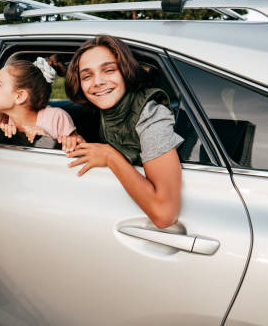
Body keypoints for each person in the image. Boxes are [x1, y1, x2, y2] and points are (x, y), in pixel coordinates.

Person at [64, 35, 183, 229]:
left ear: (125, 71)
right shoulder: (103, 109)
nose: (97, 82)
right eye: (87, 76)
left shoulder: (151, 116)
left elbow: (165, 214)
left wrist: (110, 157)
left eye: (109, 70)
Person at [0, 58, 80, 146]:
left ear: (20, 96)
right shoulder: (6, 121)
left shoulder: (56, 118)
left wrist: (45, 139)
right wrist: (6, 140)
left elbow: (78, 151)